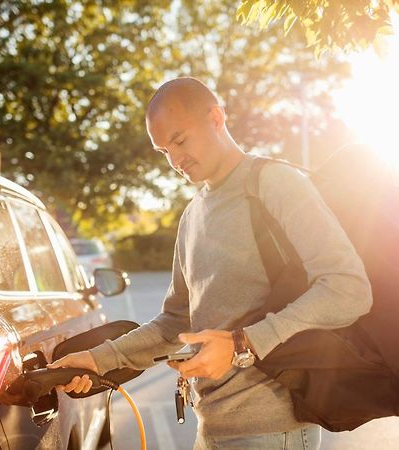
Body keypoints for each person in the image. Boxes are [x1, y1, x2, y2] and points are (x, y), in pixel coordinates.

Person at [48, 77, 372, 449]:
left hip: (272, 431)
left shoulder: (273, 183)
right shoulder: (192, 215)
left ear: (216, 118)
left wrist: (241, 343)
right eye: (163, 151)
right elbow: (175, 323)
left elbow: (348, 289)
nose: (174, 160)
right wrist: (95, 359)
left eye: (180, 140)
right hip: (211, 429)